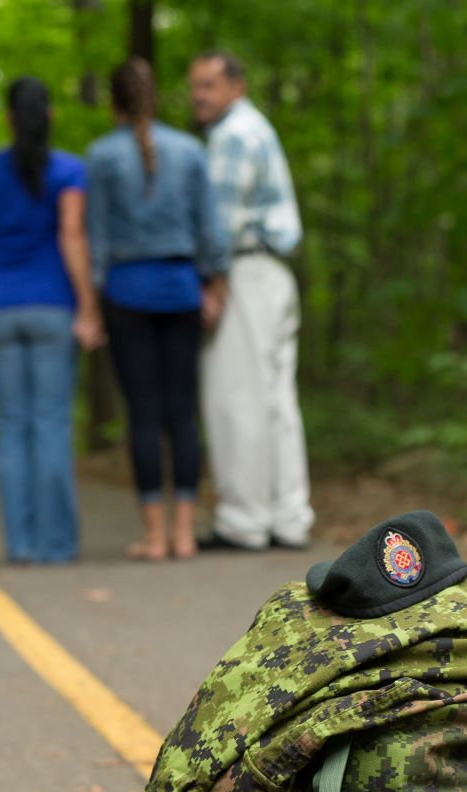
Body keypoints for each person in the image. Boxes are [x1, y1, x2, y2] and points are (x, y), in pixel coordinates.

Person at [85, 58, 230, 561]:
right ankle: (185, 534)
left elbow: (96, 238)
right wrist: (214, 286)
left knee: (143, 415)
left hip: (127, 292)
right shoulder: (190, 150)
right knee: (181, 414)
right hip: (180, 289)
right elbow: (211, 229)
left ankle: (153, 536)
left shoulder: (101, 157)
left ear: (115, 103)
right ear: (156, 97)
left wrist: (93, 304)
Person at [0, 76, 104, 565]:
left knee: (11, 428)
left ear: (7, 117)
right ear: (50, 116)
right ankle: (57, 545)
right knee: (49, 425)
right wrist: (87, 306)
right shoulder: (68, 171)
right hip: (51, 307)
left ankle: (20, 545)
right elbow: (71, 237)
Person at [188, 50, 314, 552]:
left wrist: (213, 284)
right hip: (274, 272)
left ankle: (243, 521)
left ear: (236, 87)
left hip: (245, 270)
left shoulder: (232, 135)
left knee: (236, 397)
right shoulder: (256, 126)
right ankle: (289, 518)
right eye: (194, 86)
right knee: (276, 401)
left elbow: (221, 222)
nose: (199, 96)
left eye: (209, 86)